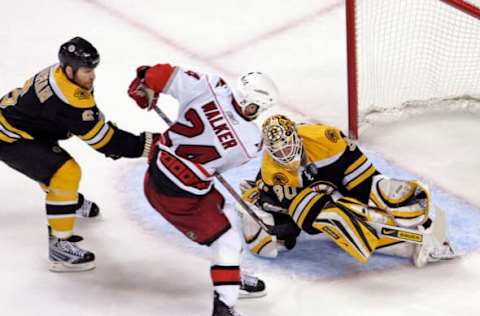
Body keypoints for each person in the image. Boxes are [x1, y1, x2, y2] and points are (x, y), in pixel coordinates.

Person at [127, 65, 278, 316]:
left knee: (227, 213)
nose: (257, 111)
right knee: (226, 240)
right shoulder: (251, 141)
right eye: (257, 106)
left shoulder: (211, 86)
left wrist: (144, 84)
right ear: (249, 102)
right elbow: (222, 164)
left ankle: (230, 275)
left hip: (159, 174)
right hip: (180, 197)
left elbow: (161, 74)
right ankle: (224, 307)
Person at [0, 37, 156, 272]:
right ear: (70, 69)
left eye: (93, 69)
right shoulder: (67, 98)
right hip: (10, 139)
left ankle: (67, 201)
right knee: (64, 173)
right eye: (86, 70)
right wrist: (148, 144)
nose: (92, 76)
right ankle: (59, 248)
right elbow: (105, 142)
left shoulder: (63, 75)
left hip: (28, 129)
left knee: (51, 167)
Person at [238, 114, 456, 267]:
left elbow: (357, 166)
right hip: (291, 195)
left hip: (331, 173)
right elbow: (309, 218)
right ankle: (410, 246)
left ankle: (423, 217)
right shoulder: (274, 172)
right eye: (278, 150)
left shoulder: (325, 138)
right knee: (337, 219)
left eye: (287, 146)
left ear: (297, 137)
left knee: (378, 190)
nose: (285, 154)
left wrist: (372, 190)